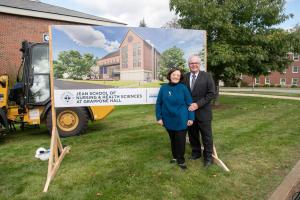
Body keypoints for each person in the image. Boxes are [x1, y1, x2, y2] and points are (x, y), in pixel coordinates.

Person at [156, 68, 194, 170]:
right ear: (170, 75)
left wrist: (191, 117)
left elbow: (190, 103)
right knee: (173, 139)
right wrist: (159, 117)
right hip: (168, 119)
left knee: (180, 140)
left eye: (178, 75)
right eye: (174, 74)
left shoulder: (183, 88)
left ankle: (181, 161)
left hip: (181, 119)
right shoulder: (163, 88)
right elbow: (159, 103)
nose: (176, 76)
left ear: (180, 77)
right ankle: (175, 157)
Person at [184, 55, 216, 168]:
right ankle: (196, 153)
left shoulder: (207, 76)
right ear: (189, 65)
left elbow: (211, 93)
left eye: (196, 63)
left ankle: (208, 158)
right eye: (191, 63)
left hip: (203, 112)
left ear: (199, 64)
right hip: (190, 113)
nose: (194, 65)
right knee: (193, 135)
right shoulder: (185, 77)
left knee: (206, 136)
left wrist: (197, 104)